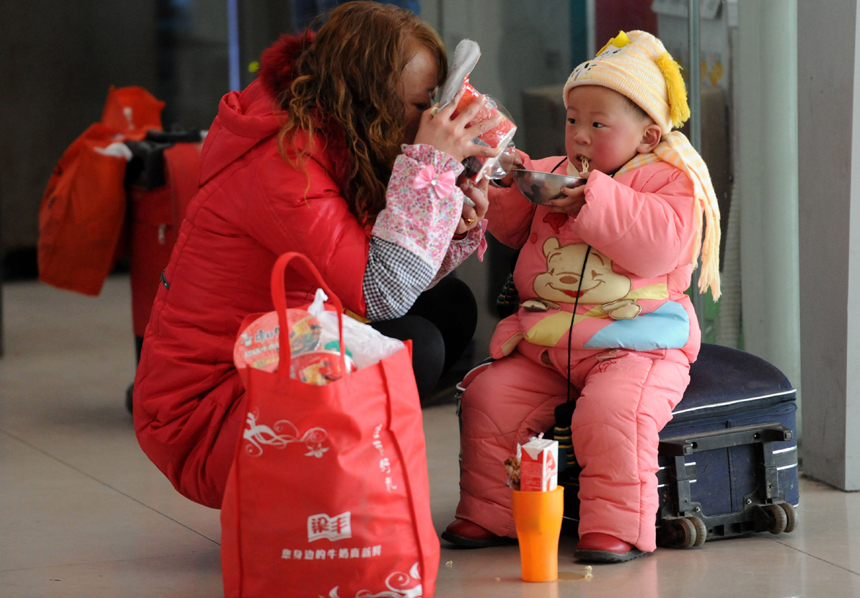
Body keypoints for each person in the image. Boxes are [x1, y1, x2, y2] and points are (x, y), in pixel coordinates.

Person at [133, 2, 501, 509]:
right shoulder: (285, 161)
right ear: (368, 99)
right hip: (208, 417)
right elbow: (381, 294)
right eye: (422, 106)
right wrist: (431, 170)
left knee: (449, 308)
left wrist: (451, 214)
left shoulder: (329, 138)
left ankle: (338, 480)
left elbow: (382, 273)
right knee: (417, 344)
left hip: (270, 358)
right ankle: (318, 495)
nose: (430, 120)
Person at [442, 30, 721, 563]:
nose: (580, 136)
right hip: (549, 342)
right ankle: (489, 512)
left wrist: (592, 199)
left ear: (646, 136)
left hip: (638, 345)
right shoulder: (557, 173)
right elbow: (509, 229)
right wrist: (502, 181)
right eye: (573, 120)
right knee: (489, 398)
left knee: (613, 414)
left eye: (598, 124)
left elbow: (658, 245)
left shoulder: (671, 183)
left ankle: (616, 526)